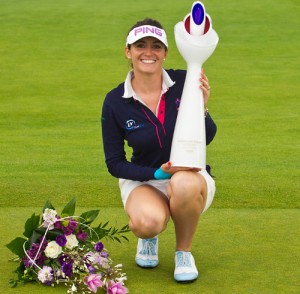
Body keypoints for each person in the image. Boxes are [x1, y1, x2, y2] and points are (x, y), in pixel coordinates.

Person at [101, 18, 217, 283]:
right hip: (146, 179)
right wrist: (157, 172)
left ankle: (183, 252)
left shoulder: (184, 81)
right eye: (140, 45)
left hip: (190, 179)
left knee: (184, 182)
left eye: (156, 46)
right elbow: (115, 163)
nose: (148, 52)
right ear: (128, 51)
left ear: (165, 52)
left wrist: (202, 108)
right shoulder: (115, 101)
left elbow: (207, 138)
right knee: (147, 223)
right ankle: (149, 237)